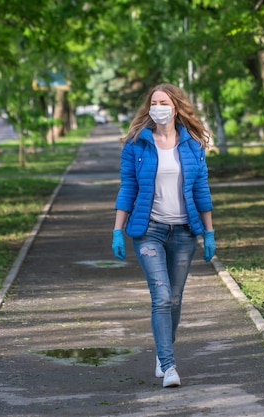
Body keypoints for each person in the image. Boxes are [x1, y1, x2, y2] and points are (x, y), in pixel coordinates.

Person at [111, 83, 216, 388]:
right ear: (149, 108)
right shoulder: (136, 145)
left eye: (164, 102)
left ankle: (162, 351)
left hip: (184, 233)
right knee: (160, 296)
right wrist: (118, 229)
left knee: (175, 297)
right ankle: (169, 366)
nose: (158, 107)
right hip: (149, 231)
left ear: (175, 107)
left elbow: (201, 191)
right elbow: (128, 188)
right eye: (154, 102)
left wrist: (209, 233)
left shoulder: (193, 144)